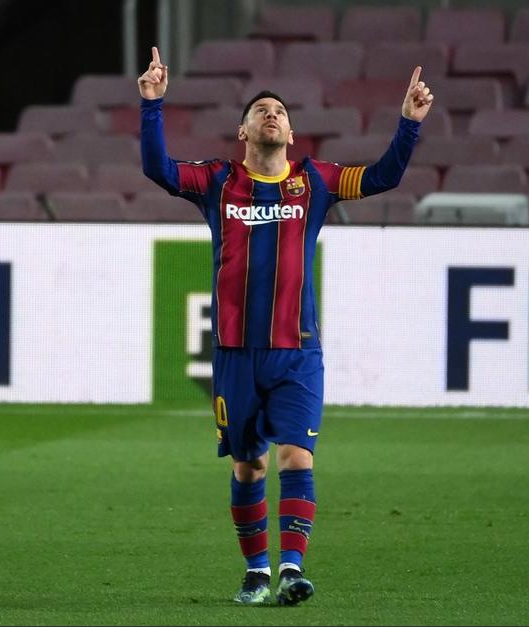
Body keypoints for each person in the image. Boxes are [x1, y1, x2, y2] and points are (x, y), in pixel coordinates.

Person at [138, 46, 433, 606]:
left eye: (280, 111)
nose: (271, 114)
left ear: (292, 134)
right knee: (249, 466)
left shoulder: (315, 181)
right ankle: (255, 572)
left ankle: (293, 569)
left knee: (297, 455)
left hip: (297, 352)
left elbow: (383, 177)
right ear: (242, 129)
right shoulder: (218, 181)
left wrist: (408, 125)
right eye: (261, 110)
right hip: (235, 353)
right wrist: (152, 105)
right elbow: (159, 169)